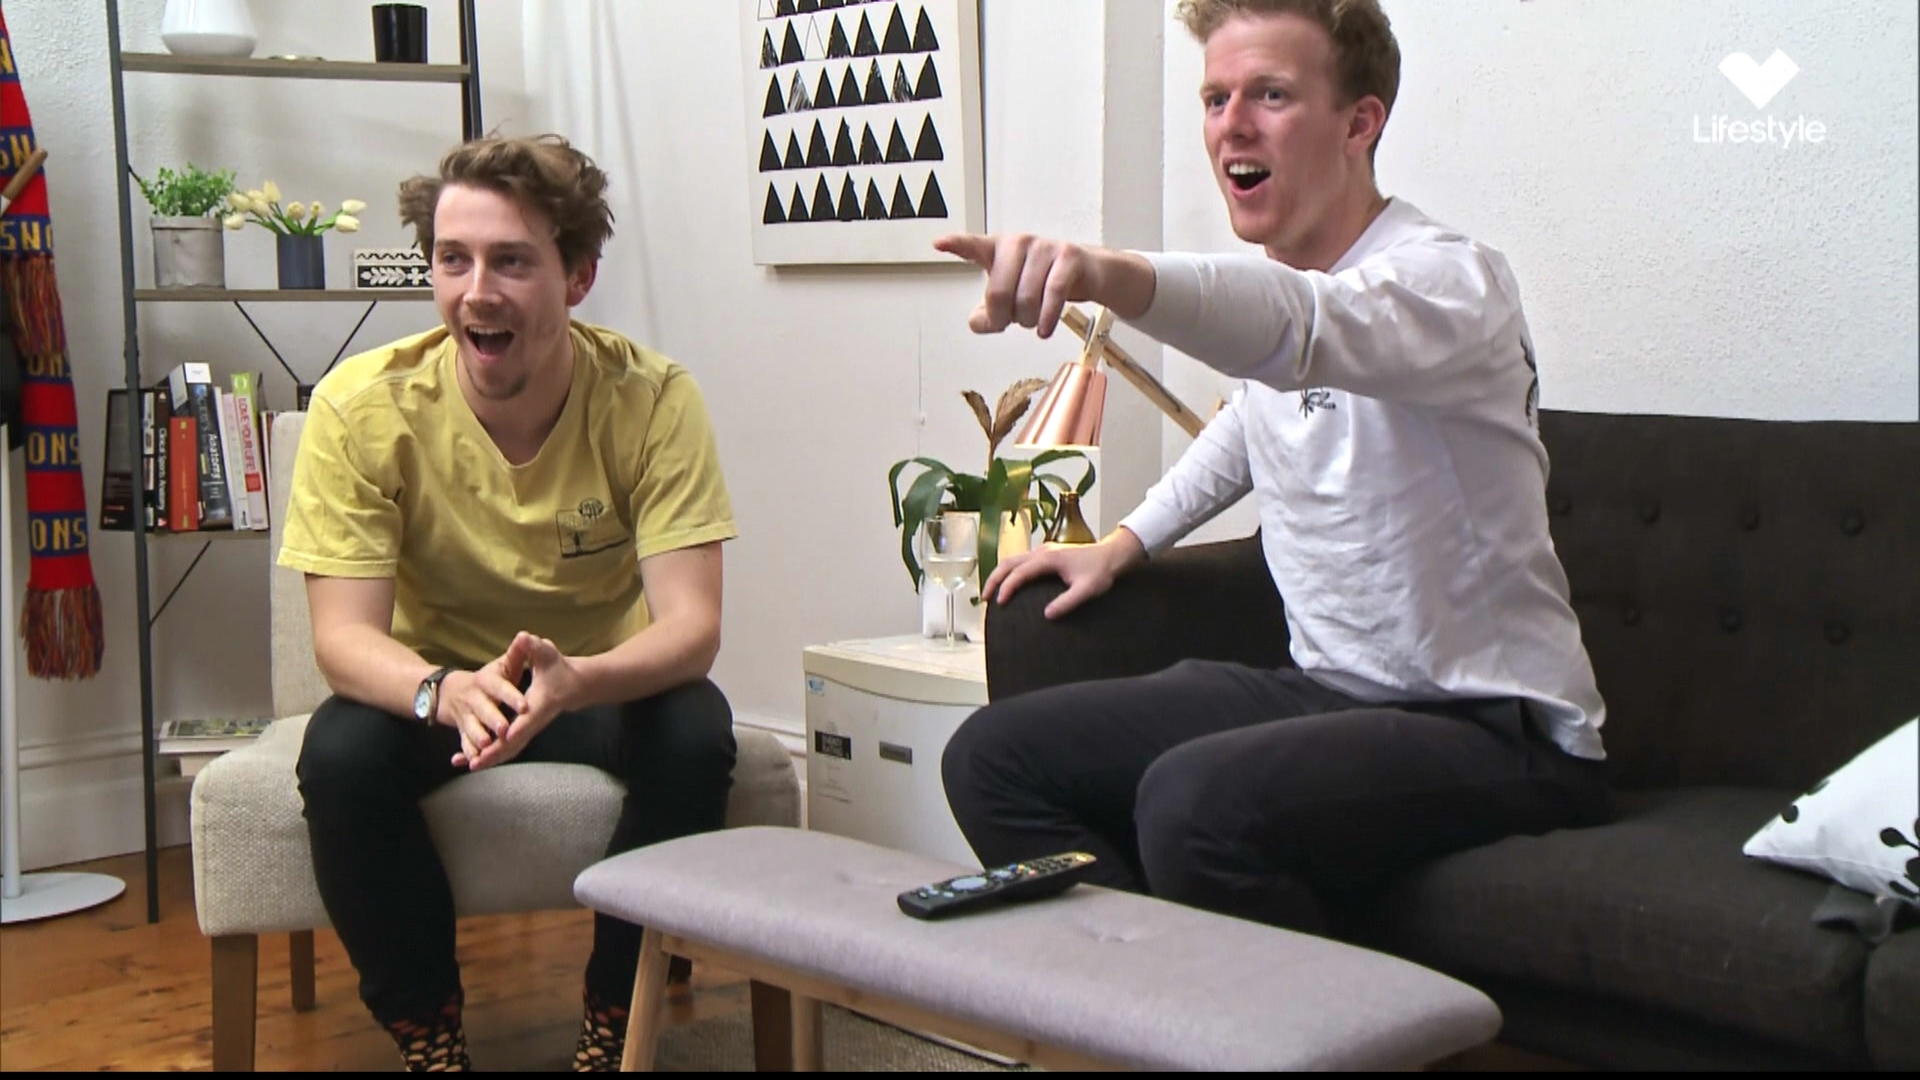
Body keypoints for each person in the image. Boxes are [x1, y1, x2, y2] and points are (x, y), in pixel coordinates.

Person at [934, 0, 1611, 938]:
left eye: (1271, 95)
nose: (1232, 125)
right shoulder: (1289, 308)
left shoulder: (1452, 284)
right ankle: (1144, 986)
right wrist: (1124, 543)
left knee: (1192, 803)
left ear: (1360, 122)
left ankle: (1249, 1004)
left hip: (1498, 726)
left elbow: (1302, 332)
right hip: (1328, 689)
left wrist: (1106, 274)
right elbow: (1251, 426)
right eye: (1215, 98)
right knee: (991, 757)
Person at [279, 134, 738, 1073]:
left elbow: (692, 629)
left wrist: (580, 682)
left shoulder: (654, 400)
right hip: (435, 688)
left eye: (512, 262)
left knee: (696, 727)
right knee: (338, 751)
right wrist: (443, 690)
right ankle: (427, 1031)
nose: (476, 291)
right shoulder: (361, 407)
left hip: (592, 683)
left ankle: (617, 1020)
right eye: (453, 260)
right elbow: (342, 639)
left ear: (578, 277)